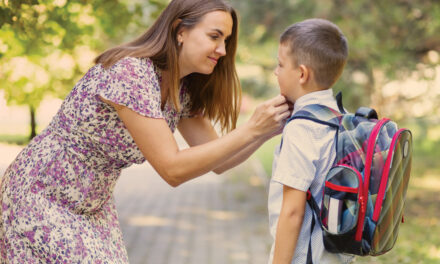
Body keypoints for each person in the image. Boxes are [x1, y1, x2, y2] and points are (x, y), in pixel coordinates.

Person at [0, 0, 291, 262]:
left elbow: (220, 161)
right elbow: (172, 169)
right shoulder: (131, 73)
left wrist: (268, 128)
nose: (223, 50)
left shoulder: (182, 90)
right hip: (41, 195)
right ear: (180, 30)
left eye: (225, 40)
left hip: (93, 205)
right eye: (214, 36)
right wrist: (252, 127)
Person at [267, 18, 354, 264]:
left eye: (281, 64)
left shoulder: (302, 128)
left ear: (302, 74)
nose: (276, 71)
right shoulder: (343, 117)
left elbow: (293, 212)